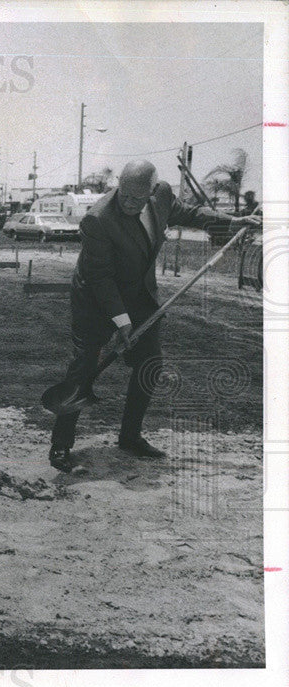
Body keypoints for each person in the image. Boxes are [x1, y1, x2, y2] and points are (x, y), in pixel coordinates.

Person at [48, 160, 260, 472]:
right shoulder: (98, 219)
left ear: (151, 191)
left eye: (137, 198)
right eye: (124, 195)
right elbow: (101, 278)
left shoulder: (161, 195)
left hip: (139, 296)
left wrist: (233, 221)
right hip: (95, 299)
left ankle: (130, 437)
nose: (129, 203)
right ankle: (61, 447)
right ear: (118, 185)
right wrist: (121, 321)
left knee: (150, 363)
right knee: (84, 368)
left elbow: (190, 214)